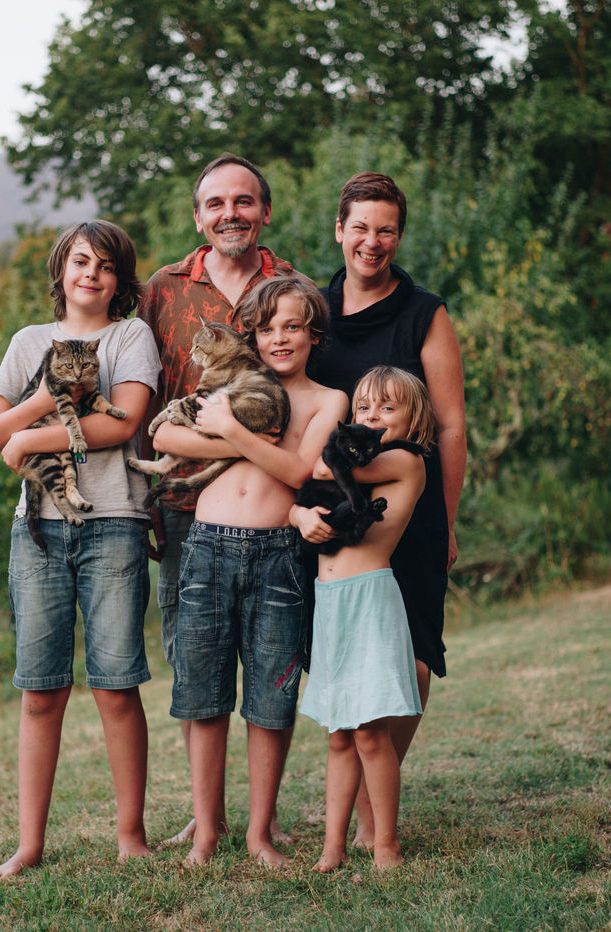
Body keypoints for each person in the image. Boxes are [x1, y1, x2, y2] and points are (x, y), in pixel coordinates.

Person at [0, 220, 161, 879]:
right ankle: (28, 845)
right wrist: (37, 407)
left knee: (116, 686)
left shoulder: (130, 337)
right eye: (81, 261)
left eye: (105, 265)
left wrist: (28, 440)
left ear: (120, 279)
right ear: (61, 270)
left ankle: (131, 834)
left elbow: (120, 423)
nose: (92, 274)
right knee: (40, 691)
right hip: (39, 532)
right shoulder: (29, 342)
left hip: (113, 522)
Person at [151, 275, 349, 867]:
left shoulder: (329, 400)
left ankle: (260, 834)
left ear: (314, 334)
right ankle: (206, 832)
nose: (279, 339)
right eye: (267, 329)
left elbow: (298, 471)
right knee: (203, 695)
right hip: (207, 547)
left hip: (278, 554)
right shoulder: (227, 382)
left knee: (270, 697)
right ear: (251, 338)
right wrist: (239, 439)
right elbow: (164, 432)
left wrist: (232, 431)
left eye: (293, 327)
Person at [138, 153, 297, 845]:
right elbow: (141, 390)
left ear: (265, 211)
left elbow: (300, 397)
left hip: (270, 508)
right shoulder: (162, 290)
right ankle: (208, 818)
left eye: (244, 201)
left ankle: (262, 818)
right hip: (182, 508)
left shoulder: (292, 287)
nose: (231, 213)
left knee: (269, 663)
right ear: (199, 217)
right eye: (216, 204)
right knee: (195, 663)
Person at [305, 171, 467, 849]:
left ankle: (377, 813)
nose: (373, 242)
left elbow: (450, 425)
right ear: (340, 230)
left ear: (399, 237)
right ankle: (364, 819)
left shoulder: (424, 313)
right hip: (330, 510)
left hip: (408, 505)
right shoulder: (314, 310)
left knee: (416, 662)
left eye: (387, 230)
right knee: (347, 669)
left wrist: (447, 519)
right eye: (361, 227)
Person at [293, 366, 438, 871]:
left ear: (413, 421)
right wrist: (298, 515)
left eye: (387, 408)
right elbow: (305, 497)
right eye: (363, 407)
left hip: (369, 601)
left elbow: (317, 470)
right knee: (339, 734)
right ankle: (332, 847)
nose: (371, 416)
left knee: (370, 734)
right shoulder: (363, 463)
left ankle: (385, 844)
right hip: (330, 601)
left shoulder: (406, 461)